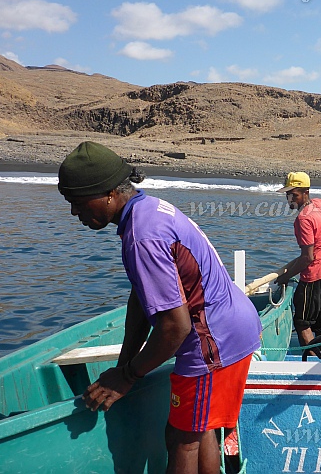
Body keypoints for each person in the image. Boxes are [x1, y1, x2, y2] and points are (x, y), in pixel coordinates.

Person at [57, 141, 261, 474]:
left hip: (214, 339)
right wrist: (125, 364)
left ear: (109, 193)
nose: (75, 212)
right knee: (198, 428)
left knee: (182, 440)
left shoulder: (143, 234)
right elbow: (140, 299)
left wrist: (127, 378)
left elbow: (175, 327)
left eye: (78, 203)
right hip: (231, 327)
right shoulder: (146, 209)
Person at [274, 171, 321, 347]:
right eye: (288, 194)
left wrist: (285, 277)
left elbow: (307, 258)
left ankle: (312, 360)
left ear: (306, 192)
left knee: (302, 323)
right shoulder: (319, 204)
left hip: (315, 278)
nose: (290, 198)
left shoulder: (303, 219)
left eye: (294, 194)